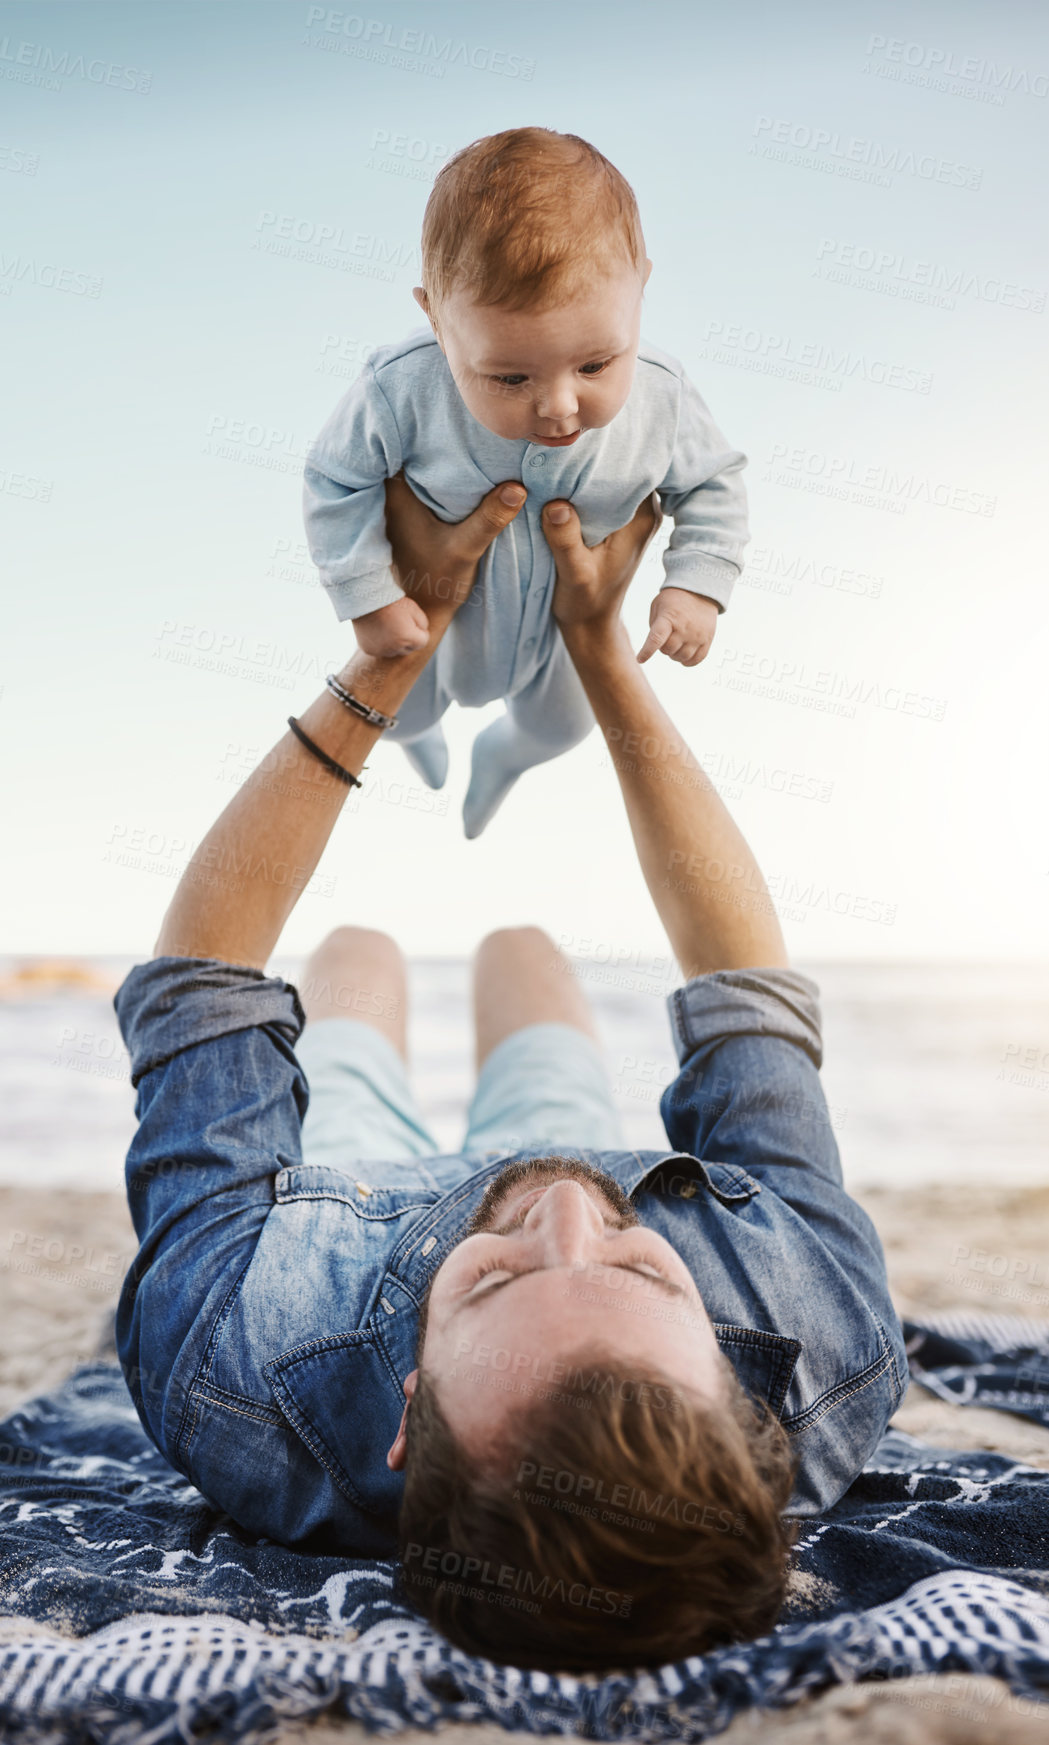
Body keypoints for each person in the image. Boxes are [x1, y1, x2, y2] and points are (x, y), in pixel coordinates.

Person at [114, 476, 907, 1673]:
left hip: (340, 1225)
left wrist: (395, 653)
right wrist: (599, 648)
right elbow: (741, 979)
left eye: (495, 1283)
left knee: (355, 952)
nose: (559, 1214)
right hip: (586, 1161)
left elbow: (202, 977)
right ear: (739, 1395)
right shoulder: (820, 1327)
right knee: (523, 949)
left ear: (407, 1420)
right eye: (648, 1272)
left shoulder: (228, 1375)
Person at [303, 127, 748, 836]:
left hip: (560, 638)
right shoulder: (400, 386)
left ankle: (503, 759)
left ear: (640, 293)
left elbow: (713, 483)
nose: (559, 406)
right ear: (437, 322)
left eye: (596, 365)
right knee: (395, 714)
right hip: (431, 618)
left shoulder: (662, 397)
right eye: (509, 377)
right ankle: (420, 741)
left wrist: (694, 584)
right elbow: (335, 477)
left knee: (561, 728)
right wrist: (365, 592)